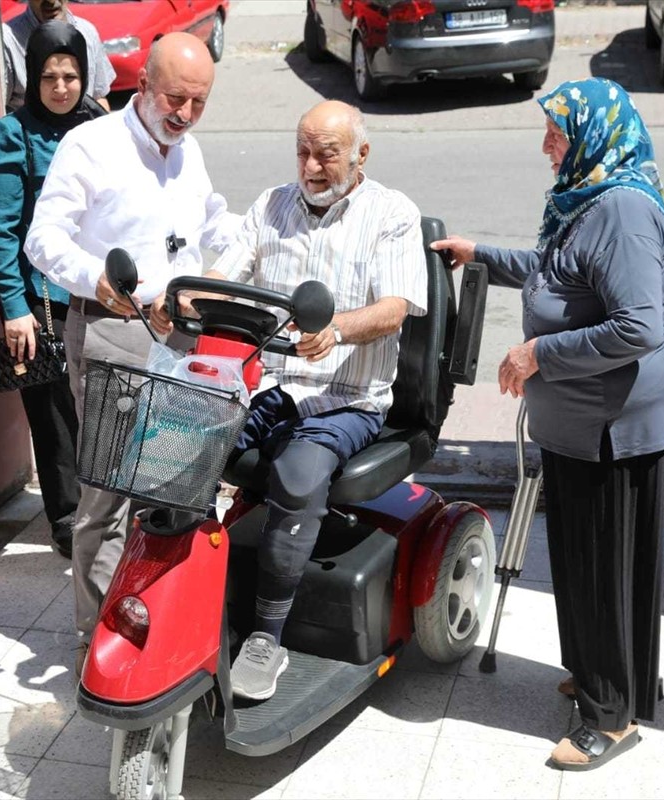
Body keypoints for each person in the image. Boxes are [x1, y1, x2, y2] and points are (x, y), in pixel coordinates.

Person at [431, 78, 664, 771]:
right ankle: (605, 677)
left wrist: (538, 352)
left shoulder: (623, 209)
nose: (547, 146)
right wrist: (479, 253)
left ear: (593, 137)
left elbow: (639, 325)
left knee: (604, 569)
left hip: (612, 427)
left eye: (558, 134)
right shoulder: (590, 199)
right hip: (579, 423)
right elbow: (553, 272)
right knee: (581, 563)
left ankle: (611, 716)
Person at [151, 100, 426, 700]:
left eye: (327, 154)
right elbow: (226, 274)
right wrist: (184, 300)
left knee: (298, 477)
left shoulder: (391, 213)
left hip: (347, 397)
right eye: (303, 151)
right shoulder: (271, 205)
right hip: (270, 386)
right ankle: (178, 595)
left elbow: (396, 306)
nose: (311, 166)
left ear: (360, 155)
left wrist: (338, 329)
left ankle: (266, 638)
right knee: (177, 449)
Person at [24, 32, 240, 667]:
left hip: (181, 335)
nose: (186, 114)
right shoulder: (90, 145)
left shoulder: (189, 149)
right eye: (176, 97)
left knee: (178, 484)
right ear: (142, 83)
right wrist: (98, 280)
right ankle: (100, 641)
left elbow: (212, 223)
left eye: (200, 102)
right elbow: (43, 239)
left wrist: (268, 236)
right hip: (114, 328)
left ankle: (160, 615)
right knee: (108, 496)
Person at [0, 20, 106, 560]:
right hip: (41, 303)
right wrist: (13, 306)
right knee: (54, 418)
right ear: (33, 77)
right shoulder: (11, 134)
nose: (60, 87)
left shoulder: (99, 127)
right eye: (49, 76)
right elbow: (0, 229)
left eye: (71, 76)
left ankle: (105, 513)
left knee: (101, 410)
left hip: (97, 294)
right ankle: (67, 519)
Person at [3, 0, 114, 113]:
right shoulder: (7, 40)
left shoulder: (87, 32)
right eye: (48, 78)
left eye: (70, 77)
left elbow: (99, 97)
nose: (51, 1)